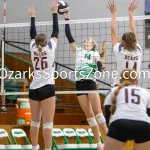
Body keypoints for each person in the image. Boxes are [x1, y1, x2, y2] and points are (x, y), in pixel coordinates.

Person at [63, 12, 108, 150]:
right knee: (89, 115)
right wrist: (67, 19)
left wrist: (100, 68)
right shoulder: (78, 51)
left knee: (98, 112)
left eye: (89, 40)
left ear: (93, 44)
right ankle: (99, 143)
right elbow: (69, 36)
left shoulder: (94, 53)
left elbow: (98, 62)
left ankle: (109, 139)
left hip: (90, 82)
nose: (86, 40)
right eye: (86, 39)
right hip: (79, 84)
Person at [27, 0, 59, 149]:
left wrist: (33, 16)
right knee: (47, 123)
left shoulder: (33, 47)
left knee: (34, 122)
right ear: (46, 42)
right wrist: (54, 12)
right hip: (47, 88)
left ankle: (34, 147)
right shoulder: (51, 47)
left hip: (33, 88)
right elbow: (56, 31)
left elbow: (32, 33)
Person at [103, 68, 150, 150]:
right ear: (137, 81)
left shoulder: (113, 90)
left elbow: (107, 113)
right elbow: (149, 114)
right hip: (143, 126)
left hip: (120, 123)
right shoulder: (145, 92)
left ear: (120, 80)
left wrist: (112, 131)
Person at [107, 0, 142, 87]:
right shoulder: (139, 51)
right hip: (133, 86)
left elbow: (113, 31)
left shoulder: (120, 51)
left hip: (119, 85)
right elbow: (132, 31)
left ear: (122, 42)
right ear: (134, 41)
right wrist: (131, 13)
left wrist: (113, 13)